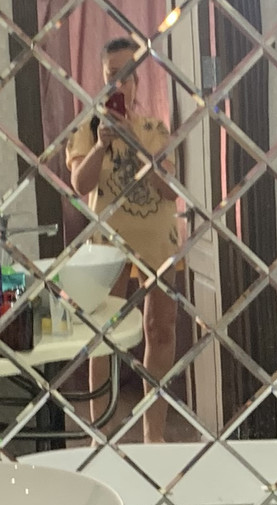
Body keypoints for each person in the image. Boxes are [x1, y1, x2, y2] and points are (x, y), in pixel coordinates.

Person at [64, 36, 189, 442]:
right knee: (104, 335)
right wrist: (103, 143)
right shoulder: (87, 128)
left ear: (137, 82)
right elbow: (81, 184)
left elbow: (168, 189)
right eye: (112, 75)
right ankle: (101, 431)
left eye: (128, 75)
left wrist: (134, 142)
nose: (119, 84)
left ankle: (155, 433)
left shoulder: (154, 129)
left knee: (160, 329)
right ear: (101, 79)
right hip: (110, 242)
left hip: (157, 239)